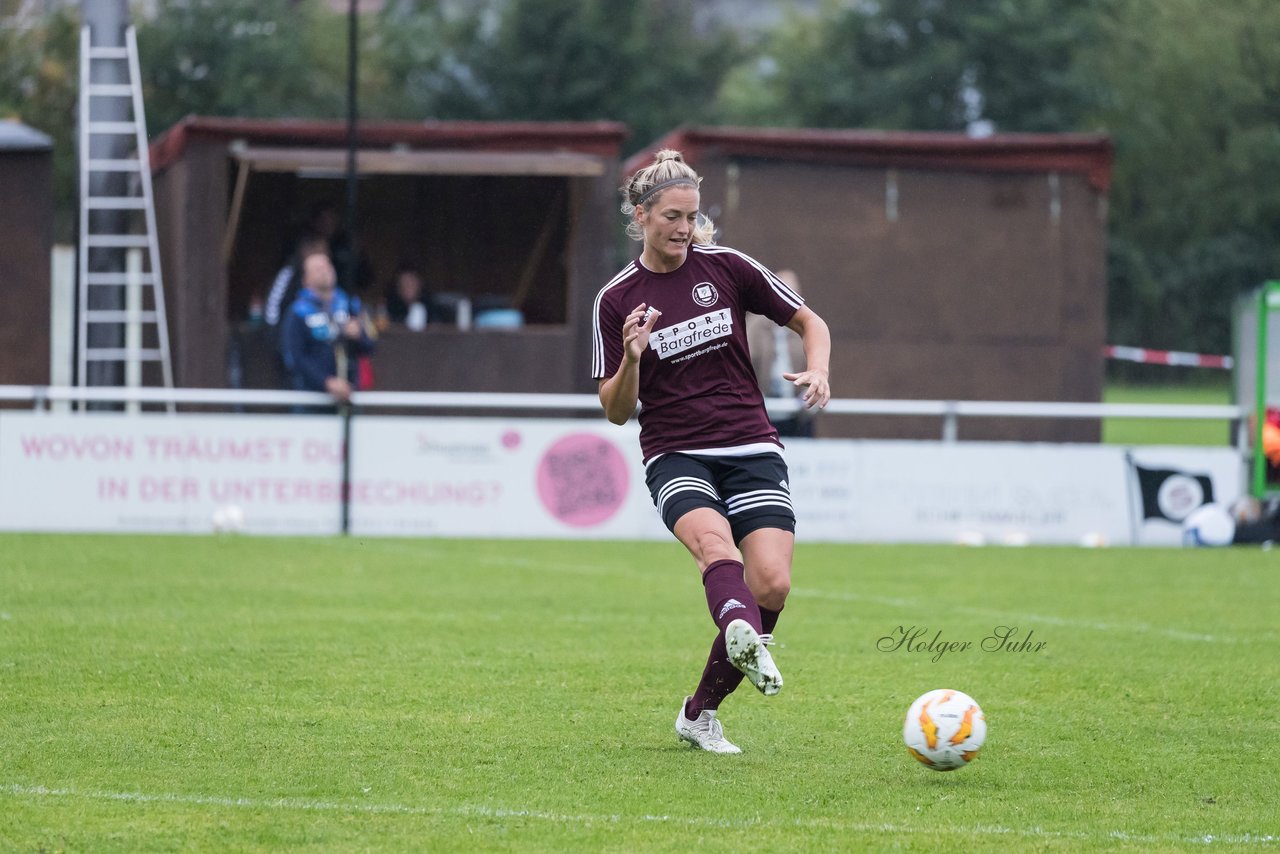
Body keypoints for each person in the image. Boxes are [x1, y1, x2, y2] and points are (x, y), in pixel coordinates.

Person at [591, 149, 832, 753]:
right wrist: (634, 359)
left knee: (772, 583)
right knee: (715, 548)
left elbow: (810, 322)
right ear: (641, 215)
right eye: (673, 216)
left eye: (693, 217)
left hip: (750, 444)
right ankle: (742, 630)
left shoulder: (726, 266)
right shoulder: (615, 300)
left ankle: (699, 713)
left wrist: (818, 370)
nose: (684, 228)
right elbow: (617, 410)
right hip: (675, 451)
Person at [281, 249, 375, 409]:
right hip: (311, 400)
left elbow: (370, 346)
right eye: (317, 269)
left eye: (327, 265)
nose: (325, 271)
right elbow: (294, 357)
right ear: (306, 280)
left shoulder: (349, 304)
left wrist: (359, 335)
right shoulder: (298, 312)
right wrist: (326, 382)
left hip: (349, 396)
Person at [746, 269, 816, 438]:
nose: (787, 300)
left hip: (798, 414)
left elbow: (816, 366)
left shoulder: (806, 326)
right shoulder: (755, 325)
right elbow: (743, 361)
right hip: (761, 413)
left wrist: (808, 398)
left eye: (793, 294)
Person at [383, 264, 430, 331]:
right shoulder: (391, 310)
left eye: (411, 282)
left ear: (420, 284)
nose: (408, 286)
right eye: (404, 283)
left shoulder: (434, 310)